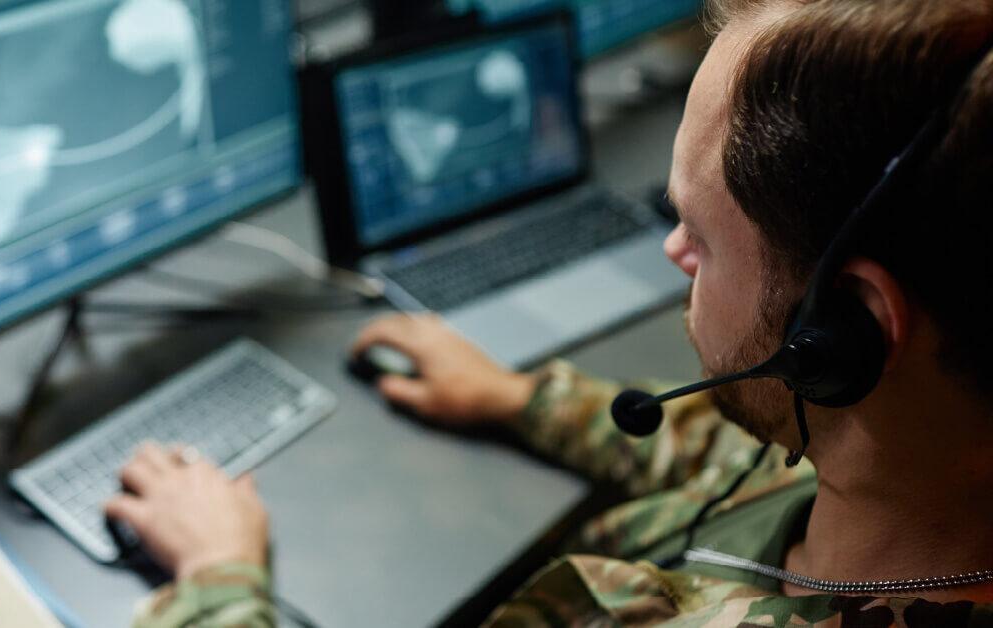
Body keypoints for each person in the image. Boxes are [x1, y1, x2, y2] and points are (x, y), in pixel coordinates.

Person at [106, 0, 993, 625]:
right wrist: (523, 399)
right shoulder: (917, 470)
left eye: (698, 233)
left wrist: (218, 578)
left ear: (844, 330)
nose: (672, 253)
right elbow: (753, 462)